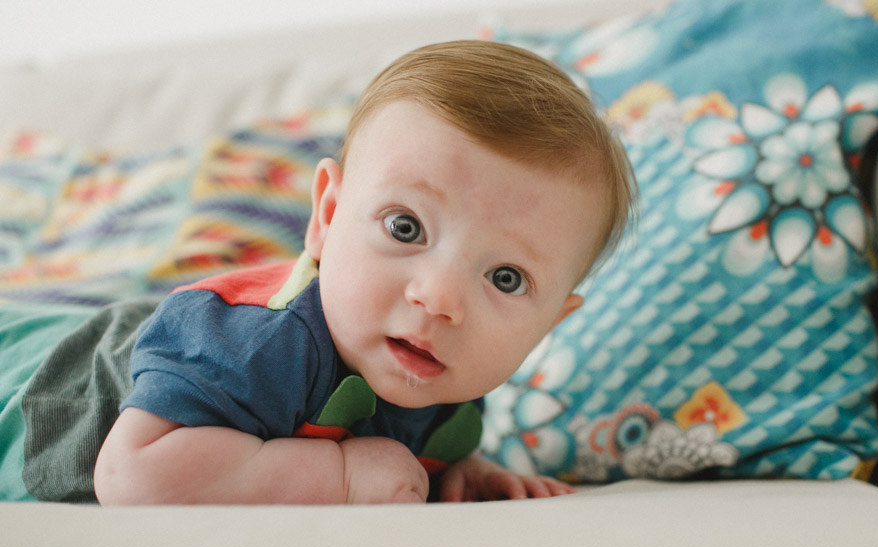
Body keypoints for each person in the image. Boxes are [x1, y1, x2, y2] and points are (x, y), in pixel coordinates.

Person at [81, 40, 634, 505]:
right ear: (327, 215)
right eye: (405, 228)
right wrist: (341, 478)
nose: (439, 299)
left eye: (506, 278)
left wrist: (464, 468)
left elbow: (397, 442)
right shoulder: (255, 342)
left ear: (548, 326)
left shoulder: (447, 384)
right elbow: (130, 473)